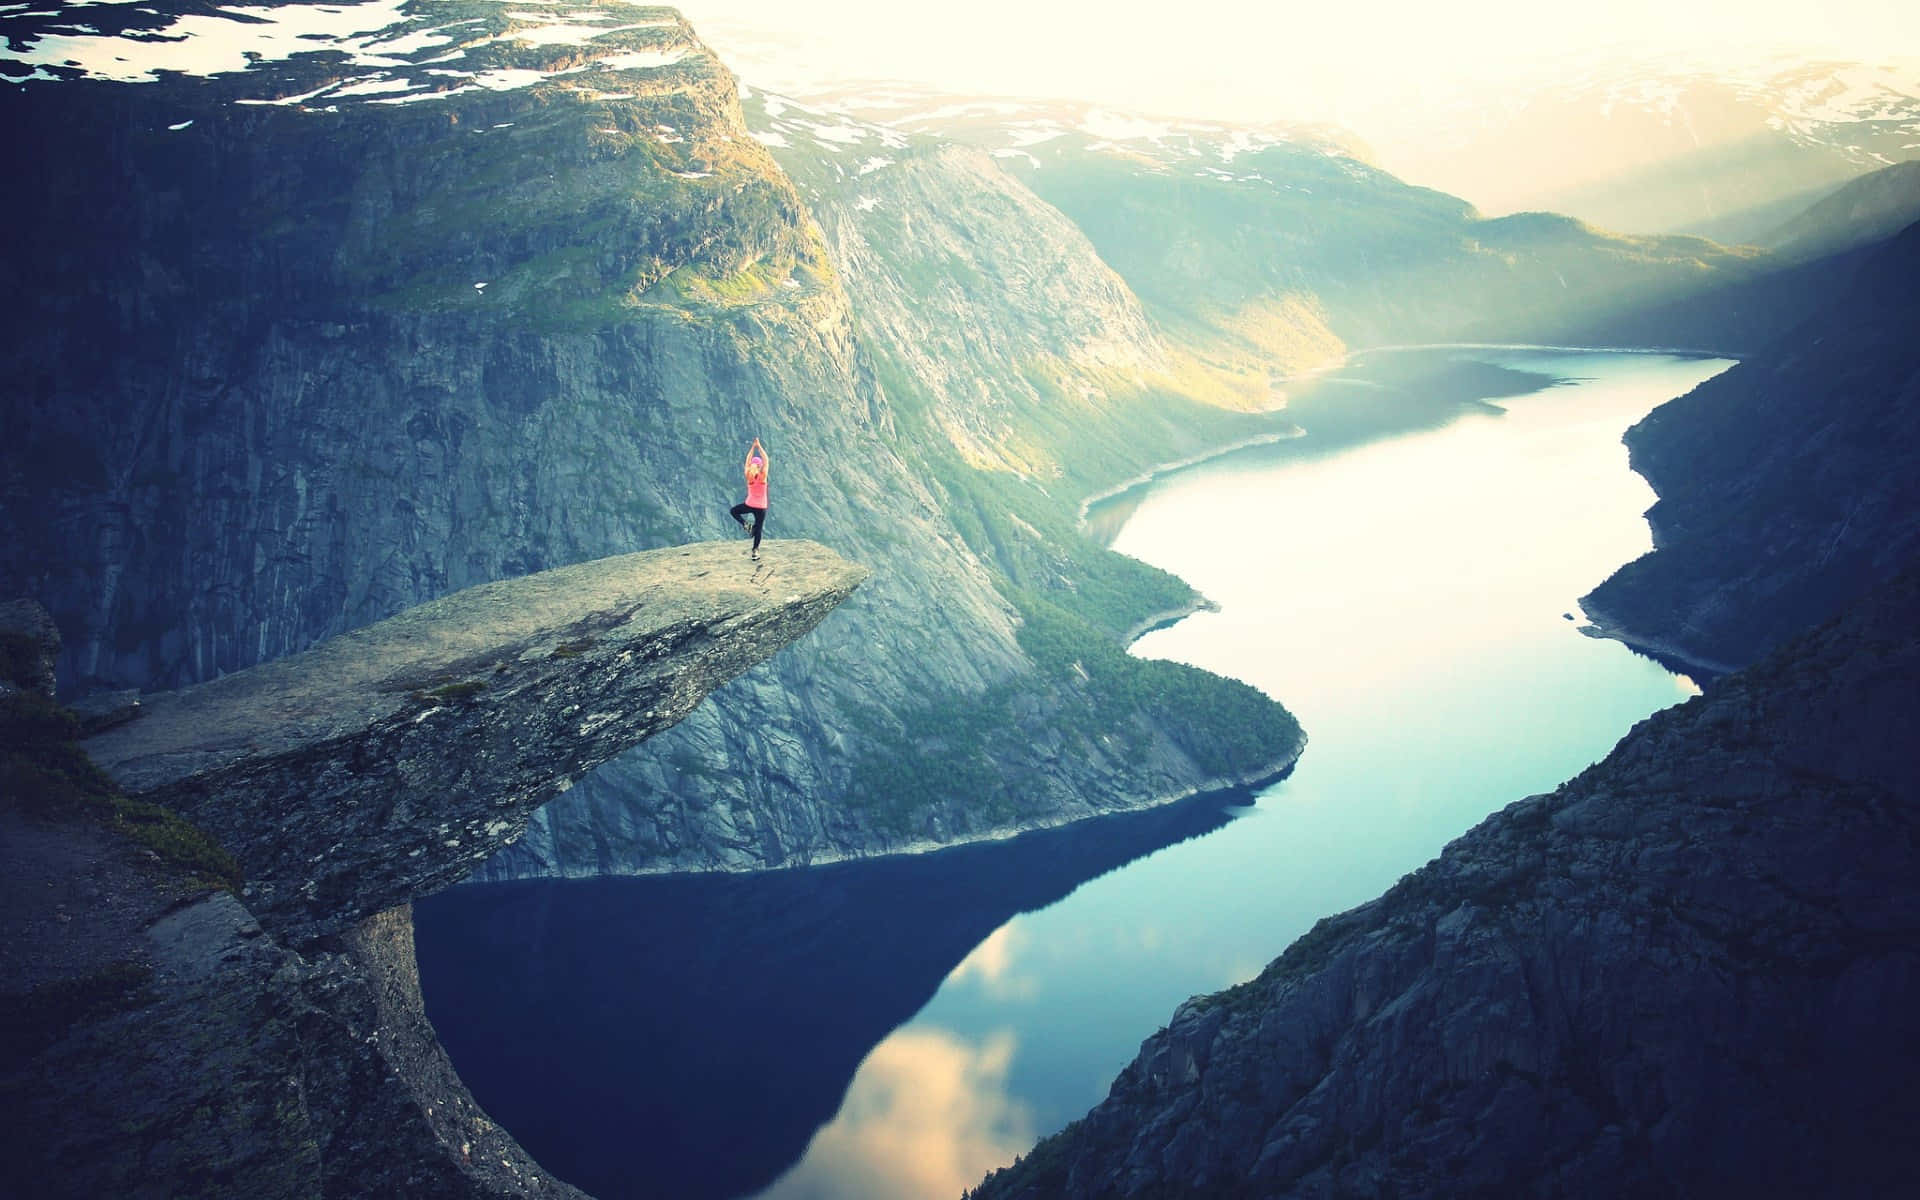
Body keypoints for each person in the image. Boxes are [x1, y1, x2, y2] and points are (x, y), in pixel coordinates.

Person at [729, 438, 769, 561]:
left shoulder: (748, 475)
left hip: (749, 504)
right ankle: (755, 551)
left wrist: (752, 448)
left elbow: (747, 462)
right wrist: (759, 446)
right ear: (760, 466)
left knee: (734, 511)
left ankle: (746, 525)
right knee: (759, 528)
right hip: (761, 507)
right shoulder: (762, 476)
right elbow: (766, 460)